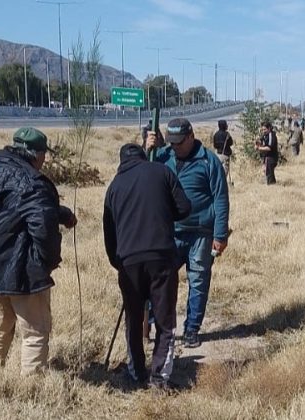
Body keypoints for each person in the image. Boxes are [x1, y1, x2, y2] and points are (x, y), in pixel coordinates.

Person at [0, 127, 77, 376]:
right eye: (43, 154)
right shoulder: (33, 183)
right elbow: (41, 228)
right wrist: (47, 263)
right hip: (23, 271)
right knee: (35, 332)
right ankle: (31, 390)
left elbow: (13, 210)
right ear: (35, 154)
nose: (44, 160)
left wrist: (59, 213)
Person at [103, 143, 191, 389]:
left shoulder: (114, 187)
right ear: (143, 157)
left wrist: (118, 263)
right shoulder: (162, 172)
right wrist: (162, 214)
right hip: (161, 257)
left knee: (133, 319)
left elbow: (109, 233)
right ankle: (160, 378)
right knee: (164, 319)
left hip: (128, 261)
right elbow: (184, 208)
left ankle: (136, 373)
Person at [146, 118, 230, 349]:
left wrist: (220, 235)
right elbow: (139, 175)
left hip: (201, 234)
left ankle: (192, 328)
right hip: (169, 232)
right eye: (171, 142)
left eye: (179, 142)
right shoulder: (162, 156)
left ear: (191, 136)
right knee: (160, 280)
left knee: (199, 280)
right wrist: (146, 149)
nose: (174, 146)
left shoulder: (209, 161)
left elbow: (221, 199)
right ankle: (158, 324)